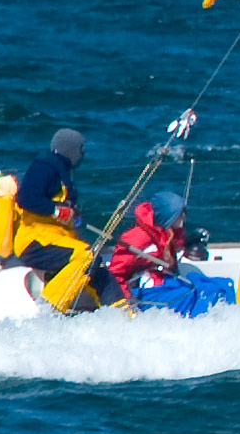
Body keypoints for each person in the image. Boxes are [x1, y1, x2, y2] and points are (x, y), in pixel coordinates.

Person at [11, 127, 122, 312]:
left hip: (58, 239)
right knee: (85, 256)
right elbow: (25, 198)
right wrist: (56, 211)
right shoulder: (44, 167)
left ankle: (123, 313)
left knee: (96, 268)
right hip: (35, 241)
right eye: (81, 149)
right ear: (71, 150)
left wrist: (72, 213)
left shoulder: (61, 170)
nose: (83, 153)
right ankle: (50, 309)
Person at [109, 190, 187, 290]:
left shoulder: (169, 232)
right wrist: (126, 299)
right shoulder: (137, 239)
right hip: (143, 288)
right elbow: (116, 273)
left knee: (206, 285)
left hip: (164, 279)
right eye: (179, 215)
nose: (184, 219)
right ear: (166, 216)